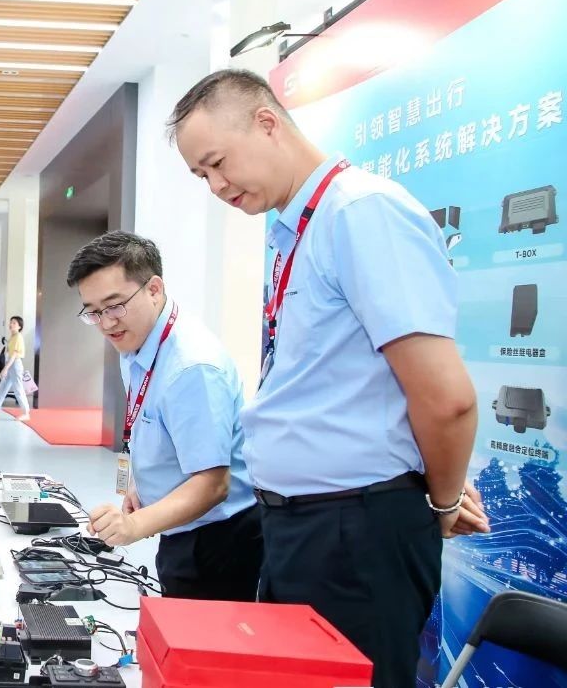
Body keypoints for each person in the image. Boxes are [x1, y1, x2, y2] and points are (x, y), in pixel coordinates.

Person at [169, 68, 489, 688]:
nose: (216, 186)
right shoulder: (296, 229)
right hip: (302, 527)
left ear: (267, 123)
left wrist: (444, 500)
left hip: (355, 533)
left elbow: (445, 398)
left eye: (217, 163)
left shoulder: (361, 213)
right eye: (200, 176)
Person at [69, 231, 262, 601]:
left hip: (217, 540)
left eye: (114, 306)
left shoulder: (192, 368)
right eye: (93, 312)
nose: (106, 324)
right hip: (180, 527)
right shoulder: (137, 344)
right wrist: (142, 485)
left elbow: (213, 484)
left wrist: (134, 526)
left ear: (154, 289)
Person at [0, 316, 32, 421]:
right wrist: (5, 369)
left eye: (14, 323)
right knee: (2, 388)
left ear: (19, 326)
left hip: (15, 365)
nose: (11, 324)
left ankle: (26, 413)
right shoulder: (12, 337)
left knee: (18, 389)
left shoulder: (18, 337)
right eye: (11, 322)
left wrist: (5, 369)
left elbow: (14, 355)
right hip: (10, 364)